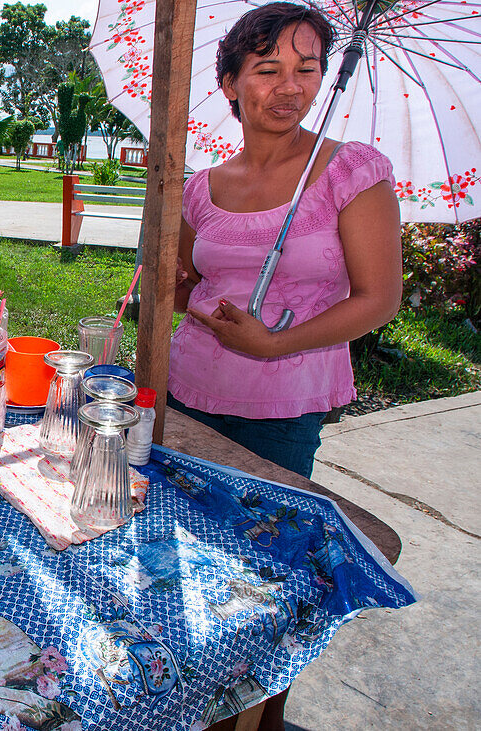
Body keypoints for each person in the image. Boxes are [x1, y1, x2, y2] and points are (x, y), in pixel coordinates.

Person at [170, 2, 402, 484]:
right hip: (183, 387)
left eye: (307, 69)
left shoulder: (352, 171)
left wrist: (274, 344)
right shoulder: (201, 187)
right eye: (268, 69)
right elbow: (186, 291)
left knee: (262, 545)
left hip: (282, 414)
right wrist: (166, 283)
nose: (291, 88)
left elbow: (380, 298)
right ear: (231, 83)